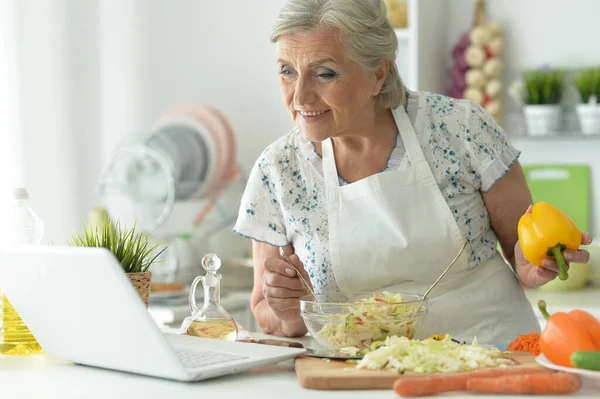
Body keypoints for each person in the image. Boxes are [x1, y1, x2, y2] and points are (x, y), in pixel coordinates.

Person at [233, 0, 592, 344]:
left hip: (492, 355)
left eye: (325, 73)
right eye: (286, 71)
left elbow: (521, 250)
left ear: (378, 73)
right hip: (359, 374)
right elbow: (267, 310)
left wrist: (532, 266)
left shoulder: (461, 128)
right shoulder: (277, 170)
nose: (299, 98)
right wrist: (290, 308)